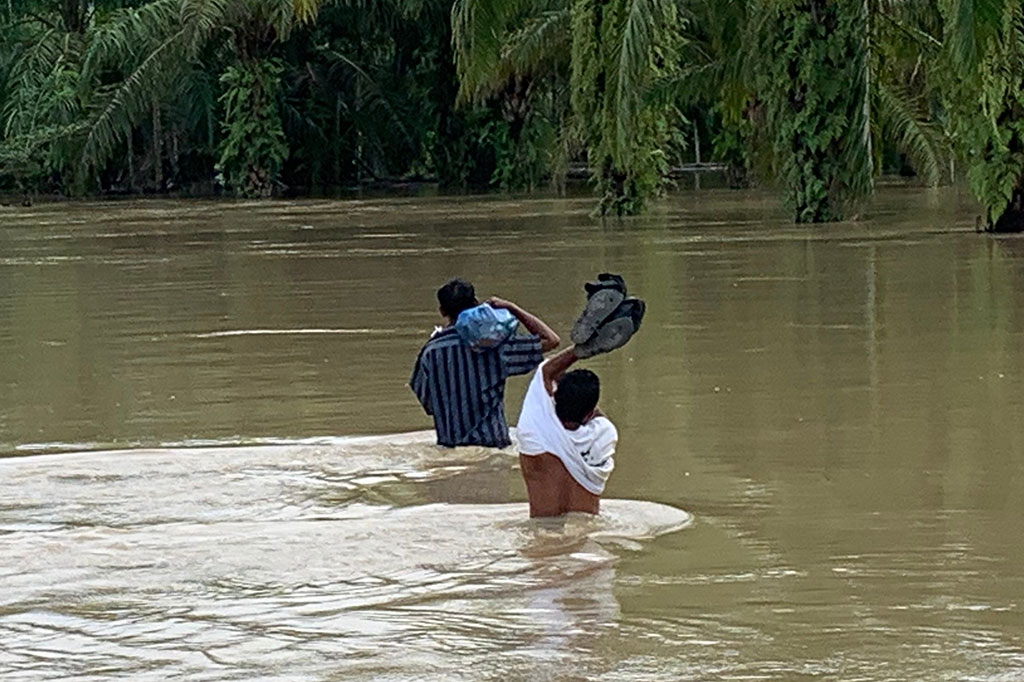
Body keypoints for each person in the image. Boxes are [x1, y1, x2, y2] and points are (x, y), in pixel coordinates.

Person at [410, 278, 560, 448]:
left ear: (442, 311)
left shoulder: (430, 352)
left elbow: (428, 405)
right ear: (476, 304)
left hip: (449, 448)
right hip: (493, 446)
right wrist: (512, 308)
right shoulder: (495, 347)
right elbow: (551, 340)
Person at [516, 345, 618, 517]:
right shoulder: (605, 436)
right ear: (589, 413)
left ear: (555, 398)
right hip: (586, 534)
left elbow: (545, 372)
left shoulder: (533, 435)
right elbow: (592, 413)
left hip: (542, 534)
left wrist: (584, 346)